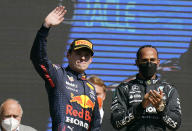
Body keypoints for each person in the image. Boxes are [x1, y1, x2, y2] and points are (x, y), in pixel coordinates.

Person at [30, 6, 101, 131]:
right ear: (68, 55)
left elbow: (95, 126)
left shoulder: (91, 89)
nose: (83, 58)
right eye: (78, 54)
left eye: (87, 55)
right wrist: (45, 28)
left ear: (91, 60)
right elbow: (39, 59)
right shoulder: (59, 75)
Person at [111, 45, 182, 131]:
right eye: (144, 60)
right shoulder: (124, 88)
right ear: (137, 62)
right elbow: (116, 123)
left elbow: (176, 125)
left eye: (152, 60)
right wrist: (140, 107)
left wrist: (161, 109)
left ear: (158, 62)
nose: (149, 64)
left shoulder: (169, 90)